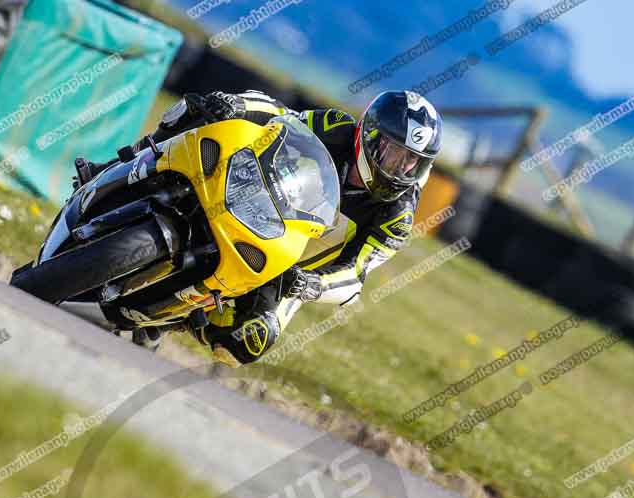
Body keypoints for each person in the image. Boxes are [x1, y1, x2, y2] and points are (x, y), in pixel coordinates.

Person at [135, 90, 443, 365]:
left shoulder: (397, 217)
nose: (401, 168)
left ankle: (172, 319)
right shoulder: (336, 126)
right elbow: (280, 115)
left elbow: (354, 276)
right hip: (253, 200)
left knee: (248, 341)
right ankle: (132, 164)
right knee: (197, 108)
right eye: (396, 153)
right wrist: (237, 104)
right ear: (371, 136)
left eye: (413, 161)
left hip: (287, 270)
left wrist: (311, 285)